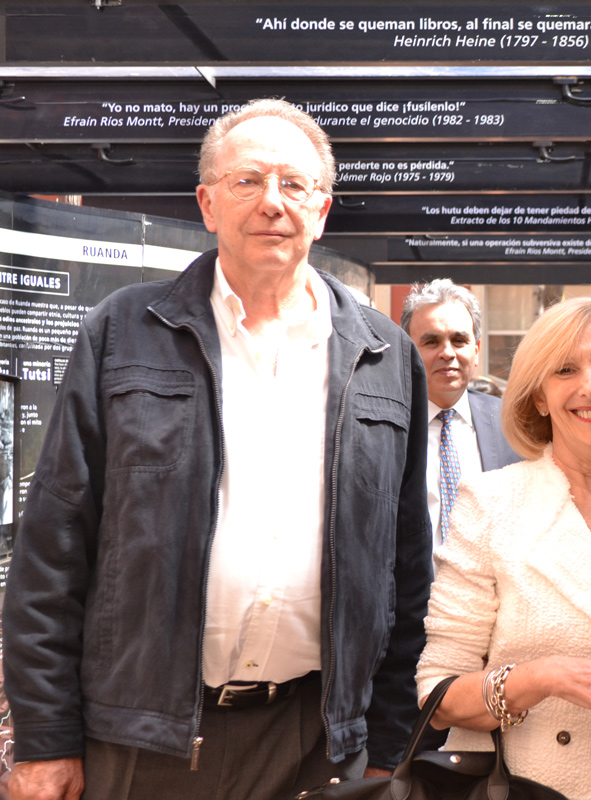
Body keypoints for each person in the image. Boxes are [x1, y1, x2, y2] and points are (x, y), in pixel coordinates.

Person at [2, 99, 432, 800]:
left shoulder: (386, 357)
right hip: (145, 740)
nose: (272, 202)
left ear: (322, 209)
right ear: (207, 203)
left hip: (316, 742)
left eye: (293, 184)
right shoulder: (123, 332)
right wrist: (47, 738)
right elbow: (53, 547)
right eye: (247, 181)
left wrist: (387, 743)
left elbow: (406, 569)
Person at [415, 297, 591, 800]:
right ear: (539, 397)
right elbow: (438, 692)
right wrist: (543, 677)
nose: (590, 386)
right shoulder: (491, 503)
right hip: (520, 788)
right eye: (565, 370)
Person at [401, 279, 521, 554]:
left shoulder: (513, 424)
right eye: (432, 341)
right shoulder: (386, 427)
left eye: (459, 340)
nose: (447, 353)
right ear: (407, 351)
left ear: (476, 351)